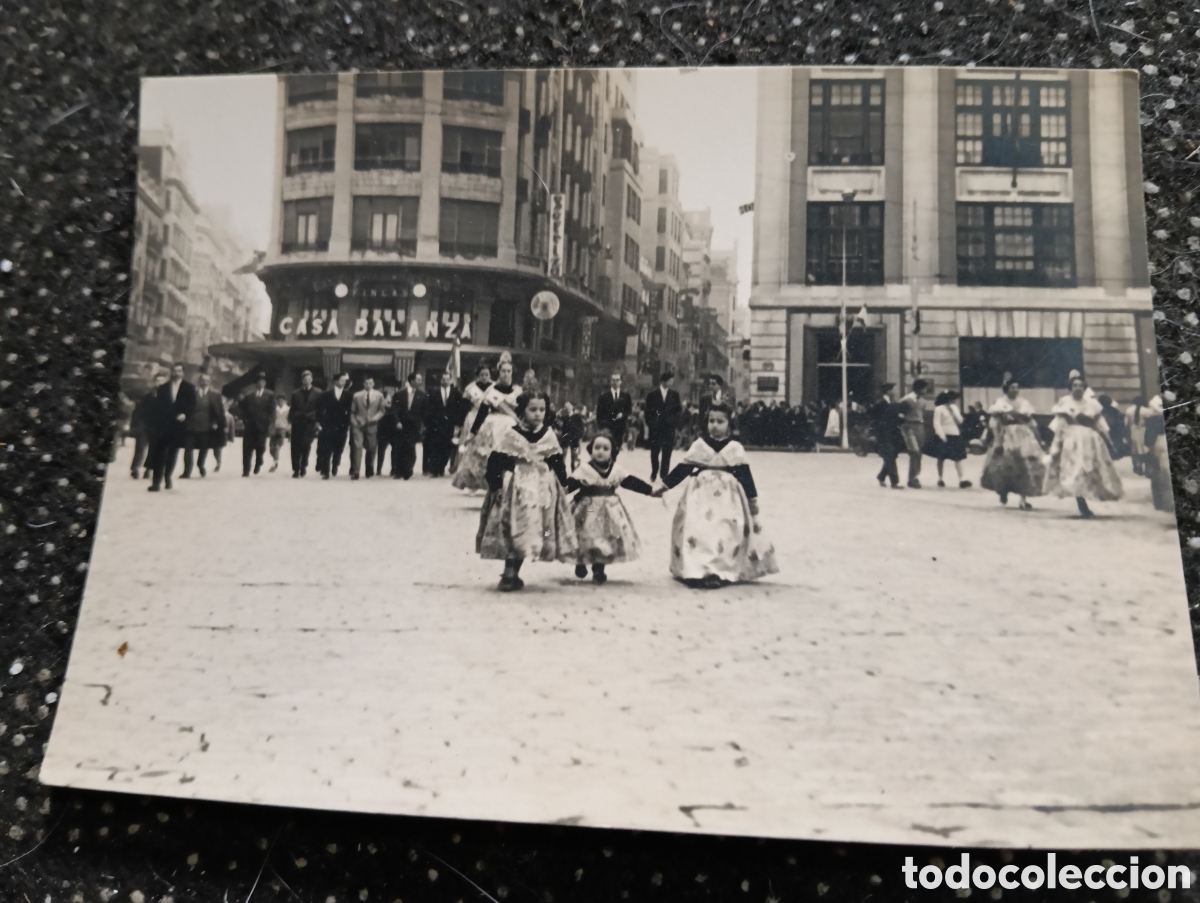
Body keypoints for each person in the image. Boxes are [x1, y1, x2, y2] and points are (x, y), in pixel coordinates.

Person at [657, 404, 778, 588]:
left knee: (724, 530)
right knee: (698, 529)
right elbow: (684, 468)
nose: (714, 425)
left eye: (720, 421)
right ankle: (697, 570)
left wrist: (752, 500)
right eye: (711, 421)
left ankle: (717, 571)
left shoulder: (735, 448)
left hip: (728, 498)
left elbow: (745, 476)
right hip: (701, 495)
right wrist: (665, 485)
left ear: (729, 423)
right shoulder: (700, 445)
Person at [476, 391, 578, 592]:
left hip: (542, 490)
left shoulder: (548, 435)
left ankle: (514, 571)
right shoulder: (511, 435)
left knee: (536, 529)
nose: (538, 414)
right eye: (533, 409)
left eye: (542, 410)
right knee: (515, 527)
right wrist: (496, 485)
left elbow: (557, 461)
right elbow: (495, 461)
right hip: (516, 489)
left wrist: (563, 483)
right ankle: (509, 571)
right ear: (522, 411)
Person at [568, 430, 656, 584]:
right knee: (585, 534)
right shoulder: (584, 469)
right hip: (588, 509)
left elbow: (630, 482)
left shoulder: (616, 470)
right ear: (590, 449)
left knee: (604, 538)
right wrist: (558, 491)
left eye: (605, 448)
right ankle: (580, 561)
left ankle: (598, 569)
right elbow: (571, 484)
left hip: (609, 510)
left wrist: (650, 490)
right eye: (597, 447)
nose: (600, 451)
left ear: (612, 452)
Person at [1044, 376, 1123, 518]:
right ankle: (1082, 504)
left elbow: (1100, 425)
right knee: (1076, 470)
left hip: (1090, 441)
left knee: (1089, 471)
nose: (1078, 388)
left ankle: (1086, 498)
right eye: (1075, 385)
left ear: (1084, 388)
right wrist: (1056, 445)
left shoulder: (1092, 404)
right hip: (1072, 441)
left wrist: (1110, 443)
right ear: (1070, 388)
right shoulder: (1065, 403)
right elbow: (1060, 426)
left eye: (1081, 386)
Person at [453, 353, 520, 492]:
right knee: (484, 457)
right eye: (503, 371)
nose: (506, 374)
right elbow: (482, 413)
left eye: (509, 371)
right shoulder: (492, 390)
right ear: (499, 372)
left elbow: (522, 412)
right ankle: (481, 486)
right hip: (491, 426)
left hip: (511, 427)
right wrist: (472, 433)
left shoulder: (518, 391)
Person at [979, 378, 1045, 510]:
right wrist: (998, 440)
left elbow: (1031, 422)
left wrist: (1038, 439)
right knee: (1005, 465)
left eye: (1017, 387)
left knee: (1024, 466)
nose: (1015, 390)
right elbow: (994, 423)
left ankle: (1023, 498)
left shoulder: (1024, 403)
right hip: (1006, 435)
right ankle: (1003, 490)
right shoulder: (1000, 403)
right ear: (1006, 389)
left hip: (1023, 435)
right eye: (1012, 387)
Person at [147, 363, 196, 492]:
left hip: (178, 426)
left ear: (183, 372)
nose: (176, 373)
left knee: (172, 453)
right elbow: (157, 407)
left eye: (179, 371)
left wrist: (185, 414)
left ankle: (167, 477)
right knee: (159, 454)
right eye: (174, 371)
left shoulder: (189, 388)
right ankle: (156, 483)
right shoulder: (163, 388)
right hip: (163, 426)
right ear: (171, 372)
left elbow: (192, 405)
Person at [452, 365, 493, 481]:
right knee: (471, 443)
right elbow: (463, 408)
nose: (484, 377)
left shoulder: (494, 387)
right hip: (473, 416)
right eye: (482, 375)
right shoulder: (471, 388)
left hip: (489, 417)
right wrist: (458, 424)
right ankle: (468, 470)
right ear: (478, 376)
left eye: (486, 375)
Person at [183, 371, 227, 478]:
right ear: (199, 381)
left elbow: (219, 411)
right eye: (202, 380)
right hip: (191, 426)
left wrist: (217, 423)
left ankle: (201, 465)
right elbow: (185, 408)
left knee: (204, 448)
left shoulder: (215, 395)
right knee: (188, 449)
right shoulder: (192, 393)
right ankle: (187, 471)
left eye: (207, 380)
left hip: (206, 427)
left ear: (210, 382)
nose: (205, 382)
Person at [924, 390, 971, 489]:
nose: (953, 400)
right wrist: (941, 436)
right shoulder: (939, 409)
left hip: (955, 434)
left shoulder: (954, 408)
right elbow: (937, 423)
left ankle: (961, 480)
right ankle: (940, 479)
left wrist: (954, 413)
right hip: (944, 434)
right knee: (941, 458)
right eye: (951, 398)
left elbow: (960, 421)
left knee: (958, 458)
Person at [644, 371, 683, 482]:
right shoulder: (652, 395)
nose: (671, 382)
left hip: (669, 428)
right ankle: (654, 471)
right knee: (654, 452)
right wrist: (651, 424)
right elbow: (647, 412)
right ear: (663, 381)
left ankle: (664, 474)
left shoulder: (675, 395)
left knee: (667, 452)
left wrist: (673, 423)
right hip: (655, 428)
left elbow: (678, 411)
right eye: (669, 380)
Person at [424, 369, 462, 477]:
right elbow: (429, 409)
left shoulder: (456, 393)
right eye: (443, 379)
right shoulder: (433, 392)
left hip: (450, 425)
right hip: (436, 425)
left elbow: (459, 409)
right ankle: (435, 470)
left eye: (447, 379)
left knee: (447, 448)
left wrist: (457, 424)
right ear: (440, 380)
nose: (445, 381)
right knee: (435, 447)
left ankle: (441, 467)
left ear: (450, 380)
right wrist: (429, 423)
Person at [236, 373, 276, 478]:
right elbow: (242, 408)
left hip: (263, 426)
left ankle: (259, 462)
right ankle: (246, 470)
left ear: (265, 383)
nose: (260, 383)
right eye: (259, 381)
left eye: (263, 381)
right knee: (247, 448)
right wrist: (240, 401)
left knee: (260, 447)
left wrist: (272, 424)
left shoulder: (270, 395)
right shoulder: (249, 395)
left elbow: (273, 411)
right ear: (256, 383)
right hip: (250, 425)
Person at [315, 372, 352, 479]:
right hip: (328, 424)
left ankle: (335, 465)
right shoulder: (326, 394)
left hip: (342, 425)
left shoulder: (348, 395)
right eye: (342, 380)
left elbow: (350, 410)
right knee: (327, 447)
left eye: (345, 381)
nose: (344, 382)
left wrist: (348, 422)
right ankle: (325, 471)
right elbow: (319, 409)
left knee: (339, 447)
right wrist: (320, 422)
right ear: (336, 381)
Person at [391, 371, 428, 480]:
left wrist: (422, 425)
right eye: (418, 379)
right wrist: (397, 422)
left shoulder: (423, 395)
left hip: (414, 426)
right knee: (399, 447)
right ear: (412, 381)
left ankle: (408, 470)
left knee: (411, 448)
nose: (420, 382)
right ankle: (398, 471)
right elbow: (394, 410)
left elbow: (424, 412)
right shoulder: (399, 394)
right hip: (401, 425)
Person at [349, 376, 387, 480]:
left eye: (370, 383)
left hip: (372, 424)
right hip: (359, 424)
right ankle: (356, 472)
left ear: (373, 384)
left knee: (371, 448)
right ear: (363, 384)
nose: (368, 385)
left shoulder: (379, 395)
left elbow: (382, 411)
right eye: (366, 383)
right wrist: (354, 422)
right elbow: (352, 412)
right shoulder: (357, 396)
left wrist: (374, 419)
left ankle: (369, 470)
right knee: (357, 447)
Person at [129, 373, 166, 479]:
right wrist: (135, 425)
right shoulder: (146, 396)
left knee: (153, 449)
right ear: (154, 382)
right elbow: (137, 412)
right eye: (158, 381)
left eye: (162, 381)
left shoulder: (167, 398)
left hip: (158, 427)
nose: (160, 383)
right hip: (144, 426)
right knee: (140, 448)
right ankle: (135, 468)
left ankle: (148, 469)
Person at [869, 383, 905, 489]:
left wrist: (901, 418)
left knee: (892, 456)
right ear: (888, 391)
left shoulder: (894, 403)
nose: (896, 392)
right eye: (894, 389)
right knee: (890, 456)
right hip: (883, 435)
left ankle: (881, 476)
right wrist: (873, 434)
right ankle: (895, 482)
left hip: (894, 434)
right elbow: (874, 420)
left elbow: (895, 419)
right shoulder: (880, 404)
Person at [1142, 395, 1174, 513]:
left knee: (1159, 474)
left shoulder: (1152, 418)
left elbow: (1148, 439)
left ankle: (1161, 502)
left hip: (1159, 445)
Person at [897, 379, 931, 488]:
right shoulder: (907, 400)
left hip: (919, 427)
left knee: (919, 453)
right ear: (919, 388)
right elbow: (898, 414)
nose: (926, 390)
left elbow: (922, 413)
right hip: (909, 427)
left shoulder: (923, 401)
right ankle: (912, 479)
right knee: (915, 452)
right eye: (925, 388)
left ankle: (915, 476)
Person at [288, 369, 322, 478]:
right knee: (295, 446)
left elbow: (320, 409)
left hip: (310, 423)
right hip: (298, 423)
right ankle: (296, 469)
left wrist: (313, 417)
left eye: (308, 378)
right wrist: (293, 418)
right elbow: (292, 409)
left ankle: (303, 466)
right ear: (302, 380)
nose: (307, 381)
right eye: (305, 379)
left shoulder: (318, 393)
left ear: (311, 379)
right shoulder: (296, 393)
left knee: (306, 445)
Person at [595, 370, 633, 451]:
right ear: (610, 381)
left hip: (620, 428)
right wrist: (602, 428)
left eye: (617, 380)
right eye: (613, 380)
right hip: (607, 428)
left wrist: (622, 414)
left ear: (621, 382)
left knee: (616, 450)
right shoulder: (603, 396)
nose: (615, 382)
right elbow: (599, 414)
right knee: (607, 449)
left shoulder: (626, 396)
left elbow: (629, 410)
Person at [1125, 395, 1153, 476]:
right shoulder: (1146, 411)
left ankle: (1137, 466)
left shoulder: (1129, 410)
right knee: (1145, 449)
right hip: (1143, 430)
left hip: (1133, 430)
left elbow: (1126, 423)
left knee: (1134, 450)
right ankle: (1147, 468)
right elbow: (1150, 422)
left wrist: (1126, 434)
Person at [1097, 395, 1129, 461]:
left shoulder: (1102, 411)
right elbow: (1121, 421)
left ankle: (1113, 454)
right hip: (1114, 429)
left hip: (1112, 429)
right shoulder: (1114, 410)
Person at [375, 385, 398, 477]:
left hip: (393, 428)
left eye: (392, 389)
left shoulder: (396, 399)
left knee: (394, 450)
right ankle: (378, 469)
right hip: (383, 428)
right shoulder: (381, 399)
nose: (391, 390)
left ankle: (393, 469)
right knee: (381, 450)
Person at [268, 394, 290, 473]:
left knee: (277, 446)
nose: (280, 402)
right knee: (271, 448)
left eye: (282, 400)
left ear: (285, 401)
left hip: (282, 429)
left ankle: (275, 463)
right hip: (274, 428)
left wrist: (289, 431)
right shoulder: (274, 409)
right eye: (279, 400)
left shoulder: (288, 410)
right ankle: (275, 460)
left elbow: (290, 421)